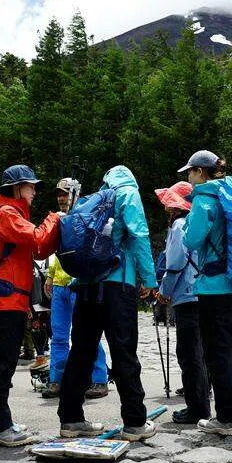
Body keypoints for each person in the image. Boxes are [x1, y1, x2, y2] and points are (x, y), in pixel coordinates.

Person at [58, 165, 158, 442]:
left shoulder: (93, 200)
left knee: (81, 351)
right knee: (124, 351)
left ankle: (71, 418)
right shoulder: (128, 194)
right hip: (117, 284)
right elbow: (138, 235)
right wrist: (149, 279)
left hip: (88, 285)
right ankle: (135, 422)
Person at [0, 166, 61, 446]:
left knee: (1, 362)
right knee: (2, 363)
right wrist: (54, 217)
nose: (35, 191)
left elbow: (39, 249)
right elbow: (37, 239)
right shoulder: (8, 213)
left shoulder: (7, 212)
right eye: (31, 186)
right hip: (4, 301)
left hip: (6, 299)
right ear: (17, 188)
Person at [179, 151, 232, 437]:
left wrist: (188, 223)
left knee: (217, 350)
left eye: (189, 172)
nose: (188, 177)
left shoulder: (204, 198)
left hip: (215, 286)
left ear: (201, 172)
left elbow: (193, 238)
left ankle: (226, 418)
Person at [43, 178, 108, 400]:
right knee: (59, 336)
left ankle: (99, 379)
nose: (61, 198)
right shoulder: (58, 219)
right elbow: (56, 254)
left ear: (75, 194)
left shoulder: (85, 215)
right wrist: (50, 277)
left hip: (79, 284)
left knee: (88, 335)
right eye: (59, 194)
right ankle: (57, 380)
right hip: (60, 286)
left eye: (65, 194)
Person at [155, 180, 209, 424]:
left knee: (189, 355)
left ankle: (196, 408)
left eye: (169, 204)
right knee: (202, 352)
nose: (167, 209)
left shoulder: (179, 225)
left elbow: (175, 263)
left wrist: (164, 291)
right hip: (204, 294)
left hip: (185, 296)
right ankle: (202, 403)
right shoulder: (200, 221)